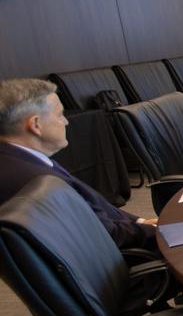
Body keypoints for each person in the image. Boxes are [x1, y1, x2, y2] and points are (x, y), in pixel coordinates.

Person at [0, 78, 156, 250]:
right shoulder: (35, 180)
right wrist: (160, 231)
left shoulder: (23, 158)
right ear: (36, 125)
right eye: (60, 115)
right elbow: (104, 234)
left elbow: (96, 205)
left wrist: (140, 222)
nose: (66, 121)